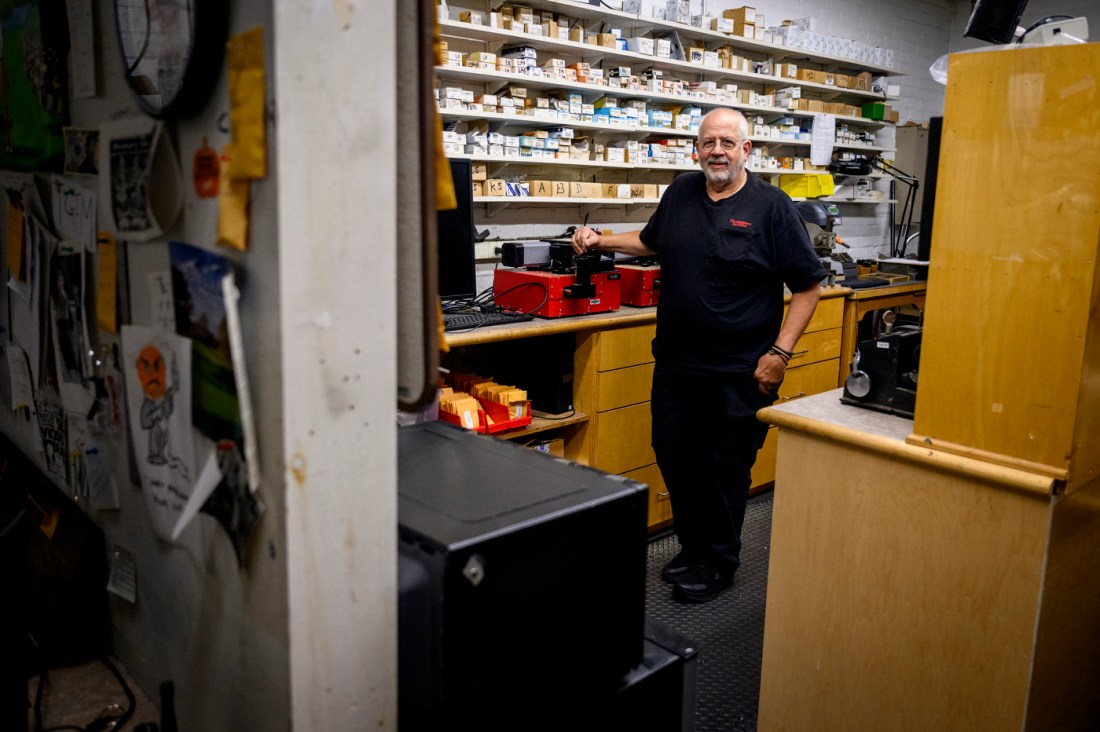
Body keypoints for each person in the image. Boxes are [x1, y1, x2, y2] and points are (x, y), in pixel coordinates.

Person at [571, 108, 826, 604]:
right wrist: (600, 240)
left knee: (724, 468)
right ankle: (693, 549)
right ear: (696, 148)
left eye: (728, 143)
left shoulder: (772, 207)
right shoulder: (682, 193)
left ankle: (719, 562)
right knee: (677, 458)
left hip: (739, 371)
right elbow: (649, 242)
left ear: (746, 150)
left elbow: (810, 286)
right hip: (677, 367)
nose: (717, 151)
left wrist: (779, 352)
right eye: (709, 142)